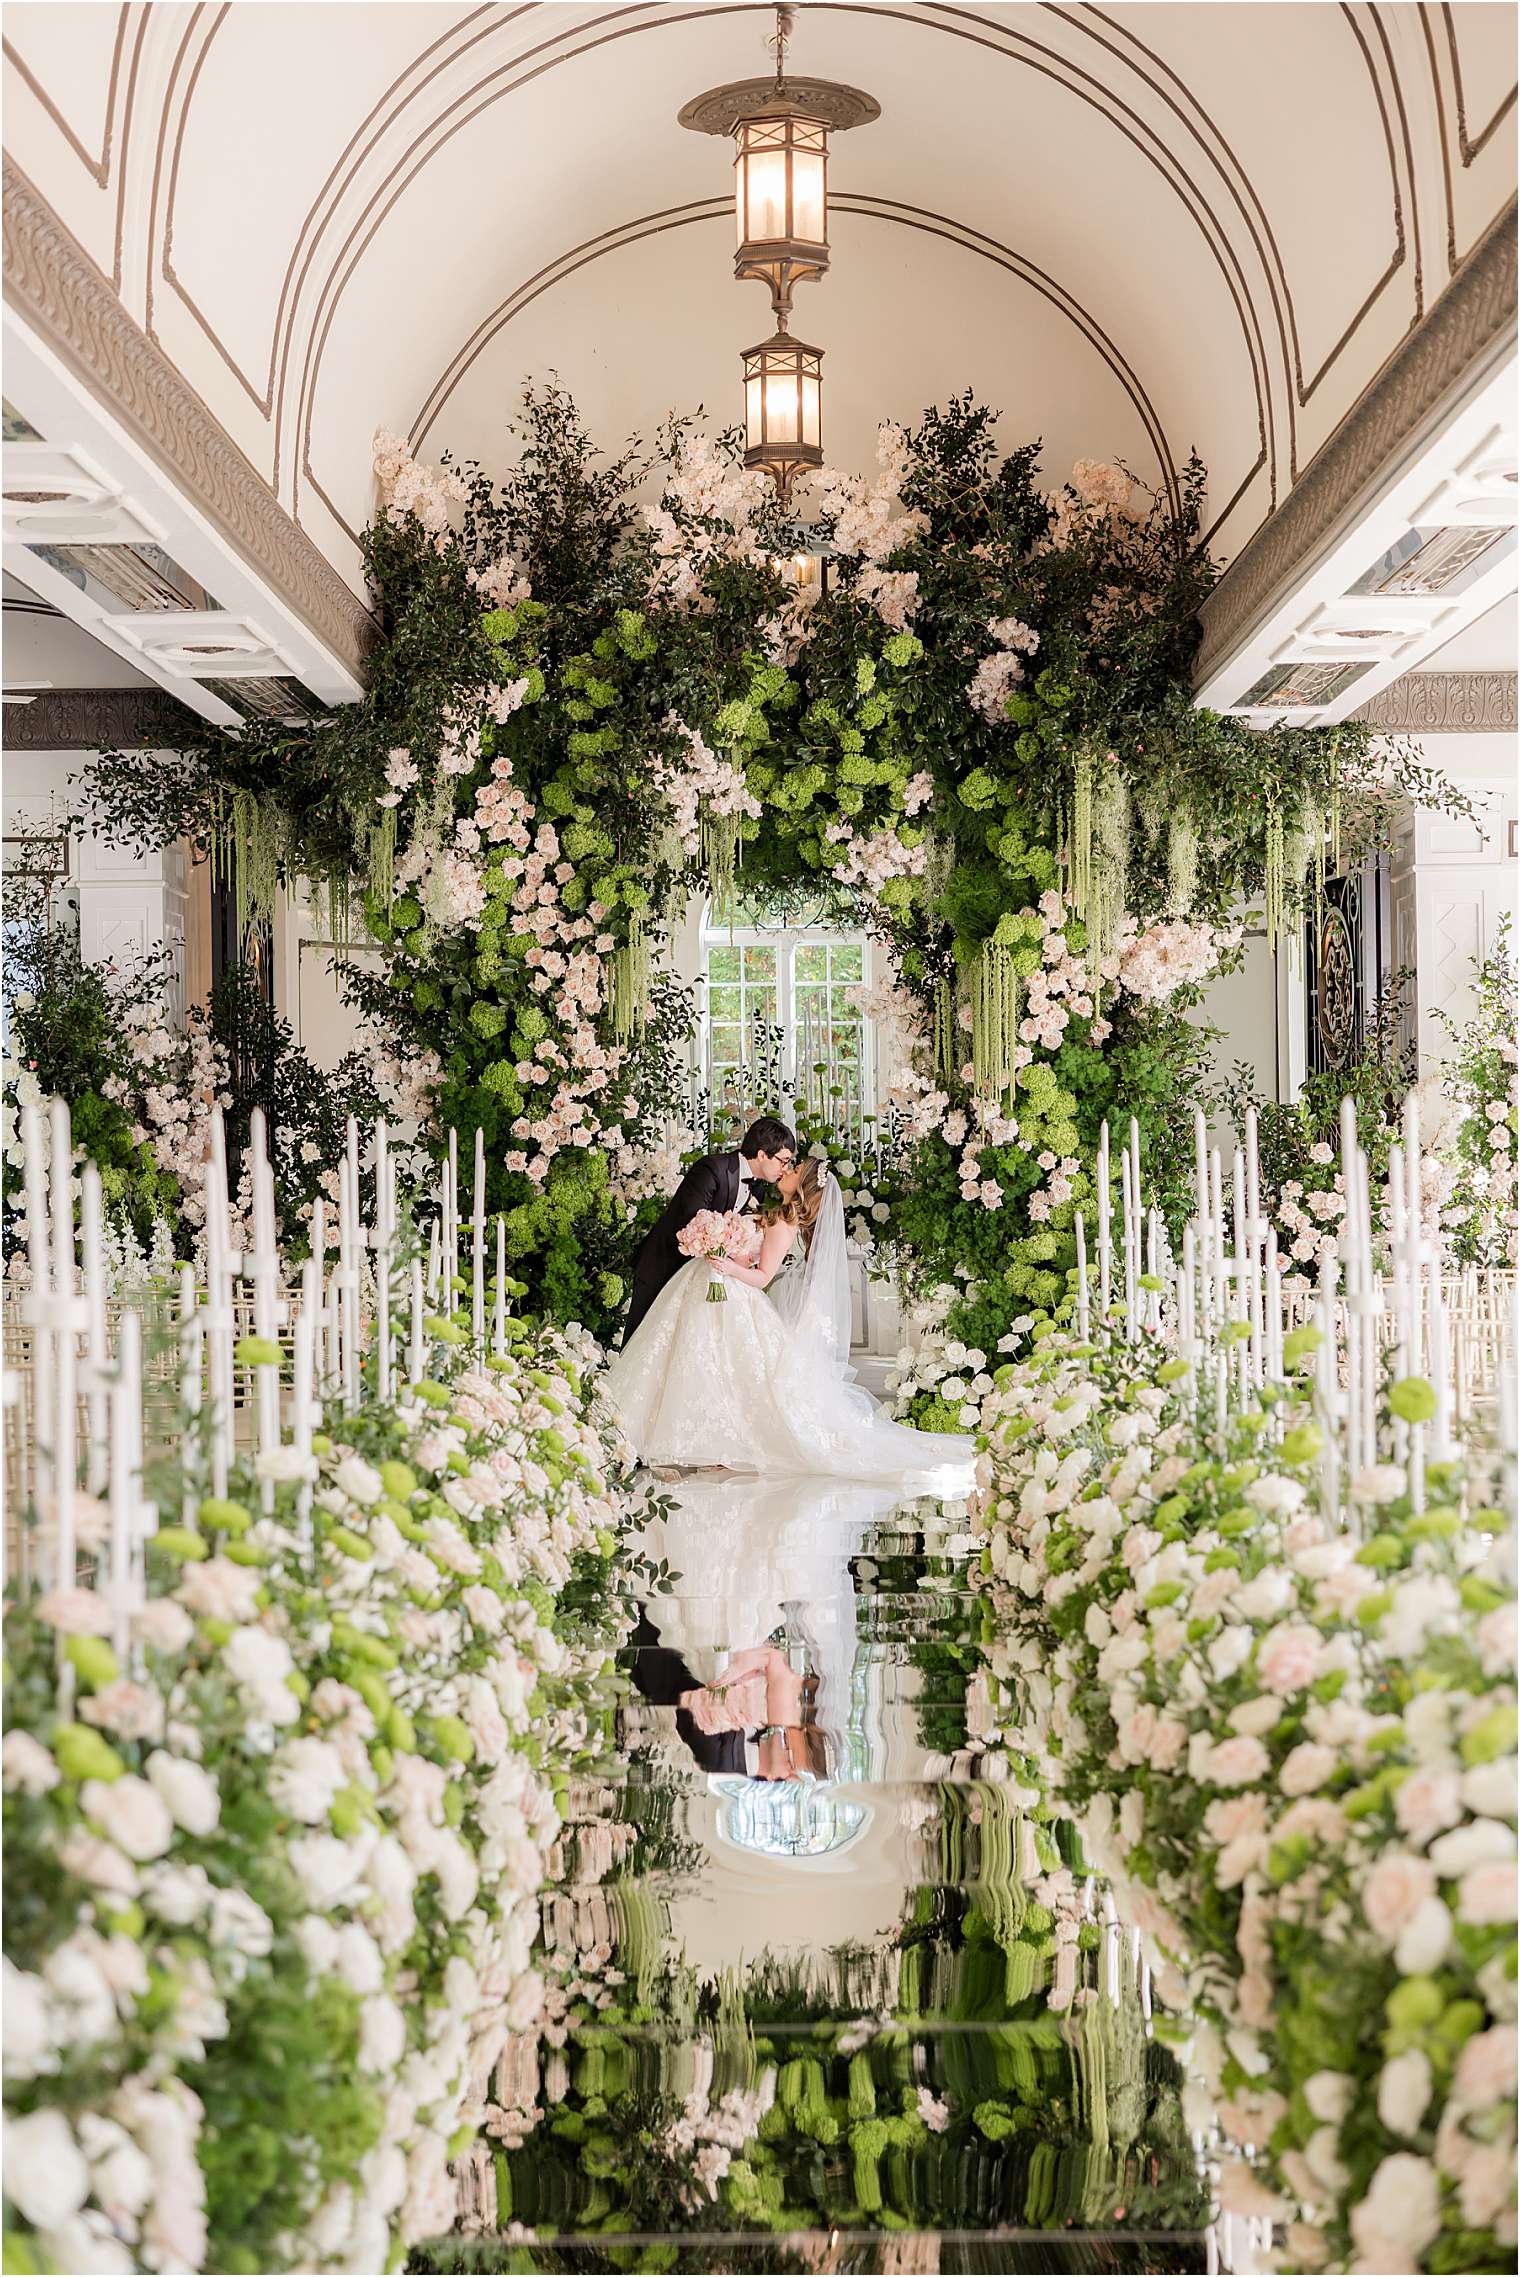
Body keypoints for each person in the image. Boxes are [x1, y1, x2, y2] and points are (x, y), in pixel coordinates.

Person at [603, 1155, 975, 1487]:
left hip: (734, 1294)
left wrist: (728, 1265)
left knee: (721, 1368)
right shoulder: (773, 1211)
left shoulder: (785, 1222)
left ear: (805, 1185)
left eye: (795, 1169)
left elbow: (763, 1277)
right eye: (788, 1162)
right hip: (716, 1291)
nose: (787, 1169)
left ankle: (705, 1441)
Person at [621, 1115, 797, 1347]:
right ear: (763, 1154)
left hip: (700, 1281)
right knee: (640, 1344)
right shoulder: (713, 1168)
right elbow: (691, 1220)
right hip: (665, 1266)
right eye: (783, 1161)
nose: (785, 1169)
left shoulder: (758, 1188)